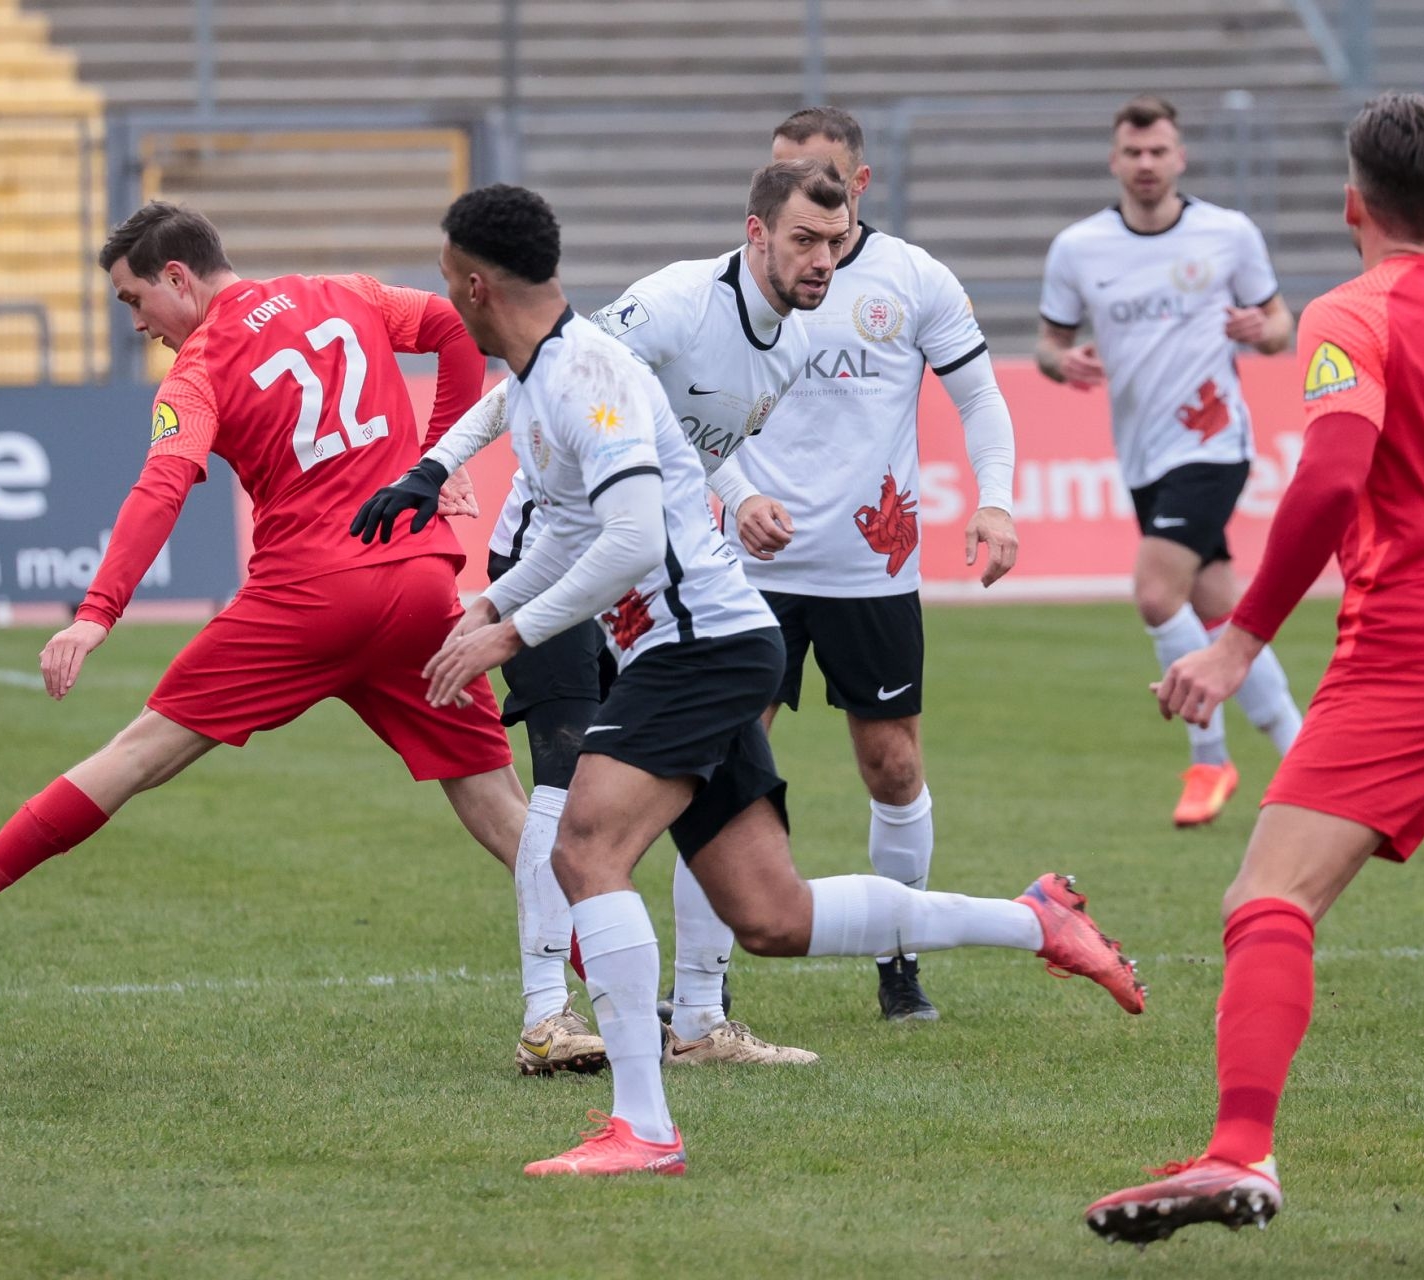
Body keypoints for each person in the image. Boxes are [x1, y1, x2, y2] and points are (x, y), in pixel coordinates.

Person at [388, 181, 1144, 1177]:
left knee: (585, 845)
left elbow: (631, 538)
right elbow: (583, 528)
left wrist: (510, 629)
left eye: (447, 281)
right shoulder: (558, 375)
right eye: (806, 238)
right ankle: (1036, 918)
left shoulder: (585, 375)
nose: (823, 258)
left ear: (472, 286)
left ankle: (644, 1127)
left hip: (695, 643)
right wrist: (489, 601)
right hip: (718, 637)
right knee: (774, 916)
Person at [1085, 92, 1424, 1245]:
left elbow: (1328, 480)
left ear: (1352, 205)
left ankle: (1240, 1148)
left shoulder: (1353, 313)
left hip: (1417, 654)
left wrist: (1237, 641)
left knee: (1268, 898)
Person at [0, 202, 533, 977]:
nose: (137, 323)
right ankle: (633, 997)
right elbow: (453, 328)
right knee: (504, 811)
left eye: (135, 299)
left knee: (137, 753)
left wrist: (94, 615)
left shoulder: (196, 374)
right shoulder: (344, 292)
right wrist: (437, 462)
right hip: (421, 584)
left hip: (309, 599)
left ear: (178, 278)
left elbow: (159, 491)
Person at [374, 157, 849, 1068]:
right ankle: (547, 1015)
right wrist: (436, 467)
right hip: (554, 557)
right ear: (758, 230)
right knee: (564, 781)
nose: (823, 256)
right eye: (806, 237)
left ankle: (701, 1022)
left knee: (714, 790)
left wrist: (739, 494)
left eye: (838, 238)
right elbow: (543, 374)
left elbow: (684, 445)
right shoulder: (673, 304)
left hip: (661, 584)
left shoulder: (794, 345)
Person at [725, 106, 1021, 1022]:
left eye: (815, 176)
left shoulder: (914, 278)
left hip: (870, 569)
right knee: (720, 762)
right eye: (779, 176)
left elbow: (979, 397)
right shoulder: (731, 281)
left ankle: (899, 960)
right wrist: (735, 496)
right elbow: (681, 411)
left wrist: (996, 499)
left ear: (857, 184)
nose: (796, 192)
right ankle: (701, 983)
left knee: (892, 766)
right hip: (751, 569)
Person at [1037, 94, 1303, 828]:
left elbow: (1280, 325)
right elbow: (1047, 344)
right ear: (1115, 160)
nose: (1147, 163)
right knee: (1219, 610)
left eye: (1159, 151)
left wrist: (1261, 329)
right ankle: (1304, 754)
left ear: (1180, 157)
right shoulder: (1079, 248)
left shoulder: (1229, 233)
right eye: (1134, 152)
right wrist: (1065, 363)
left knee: (1157, 595)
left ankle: (1209, 759)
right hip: (1143, 457)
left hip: (1213, 442)